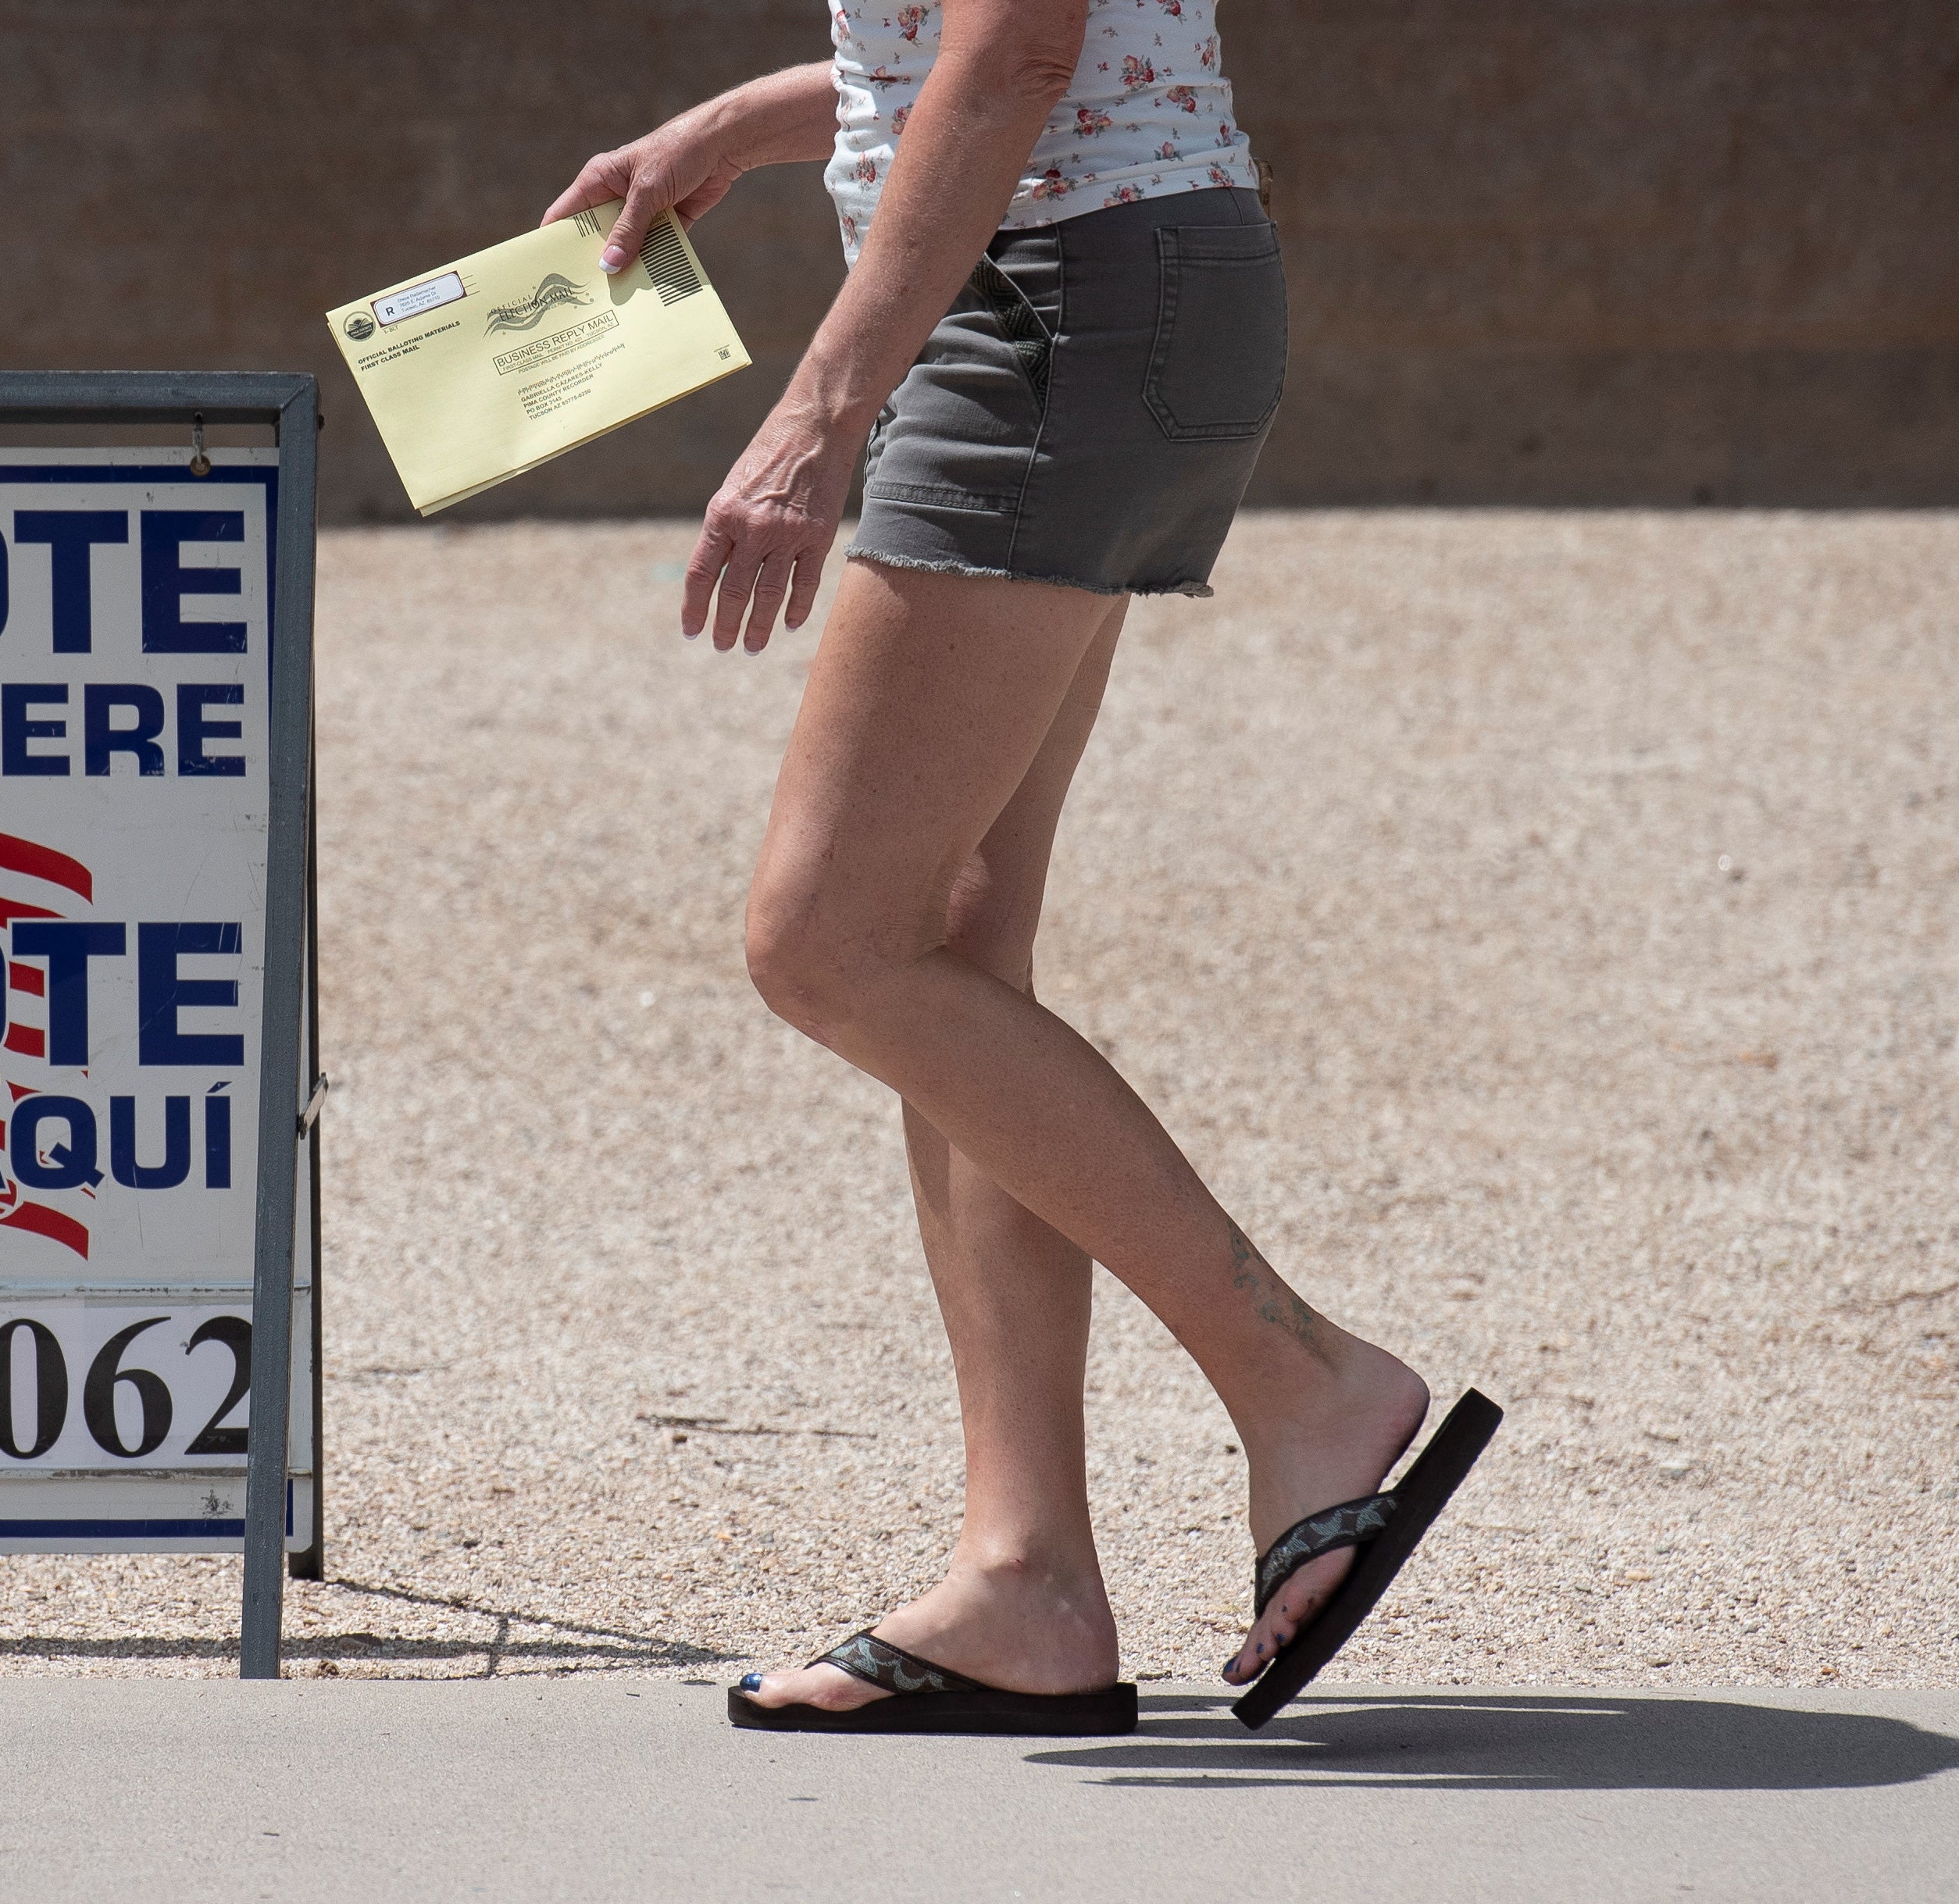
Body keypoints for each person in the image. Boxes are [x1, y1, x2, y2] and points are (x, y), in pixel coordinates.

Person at [542, 0, 1497, 1735]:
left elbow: (1016, 59)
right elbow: (990, 43)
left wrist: (817, 408)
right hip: (1092, 281)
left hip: (1056, 294)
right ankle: (1027, 1581)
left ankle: (1299, 1378)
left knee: (824, 939)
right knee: (949, 947)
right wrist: (752, 128)